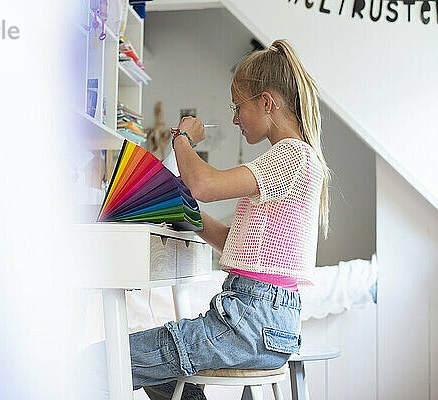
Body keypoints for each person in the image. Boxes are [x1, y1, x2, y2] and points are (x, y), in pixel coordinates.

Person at [77, 39, 330, 400]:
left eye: (237, 107)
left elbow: (204, 185)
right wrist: (189, 215)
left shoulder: (291, 154)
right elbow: (234, 243)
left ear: (267, 102)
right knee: (156, 372)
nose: (234, 118)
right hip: (264, 322)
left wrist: (181, 139)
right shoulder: (294, 161)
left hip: (249, 321)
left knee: (98, 363)